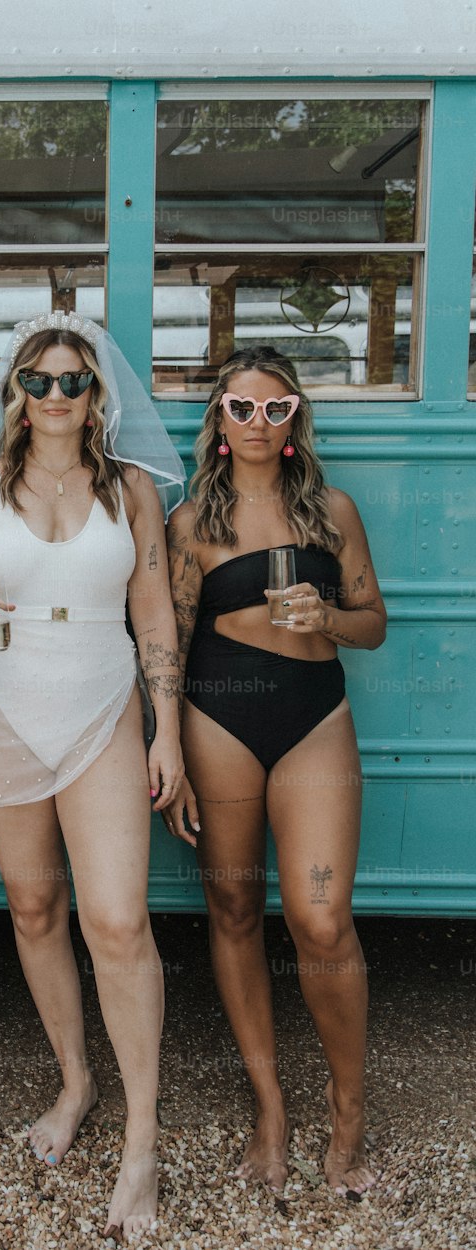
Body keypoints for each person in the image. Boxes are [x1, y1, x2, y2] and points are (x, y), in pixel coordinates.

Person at [0, 310, 189, 1237]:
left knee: (118, 922)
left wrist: (166, 731)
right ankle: (76, 1081)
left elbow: (156, 612)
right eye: (36, 381)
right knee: (35, 910)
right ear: (16, 392)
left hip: (102, 701)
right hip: (1, 704)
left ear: (98, 396)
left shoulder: (131, 489)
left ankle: (141, 1140)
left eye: (71, 381)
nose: (53, 395)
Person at [166, 344, 386, 1195]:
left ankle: (349, 1118)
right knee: (232, 906)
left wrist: (327, 613)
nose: (258, 423)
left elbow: (374, 625)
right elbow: (171, 646)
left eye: (276, 408)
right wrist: (169, 752)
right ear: (219, 423)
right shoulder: (189, 525)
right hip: (217, 720)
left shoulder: (333, 510)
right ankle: (270, 1112)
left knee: (322, 918)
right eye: (242, 408)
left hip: (312, 720)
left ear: (296, 422)